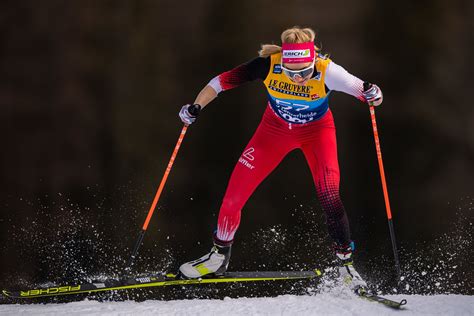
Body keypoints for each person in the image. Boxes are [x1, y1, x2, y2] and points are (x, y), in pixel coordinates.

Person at [177, 27, 382, 289]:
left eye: (305, 73)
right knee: (233, 197)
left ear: (313, 63)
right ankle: (218, 256)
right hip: (273, 132)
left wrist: (373, 94)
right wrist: (195, 107)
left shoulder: (329, 71)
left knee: (330, 196)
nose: (298, 79)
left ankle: (346, 266)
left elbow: (368, 93)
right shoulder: (267, 65)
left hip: (316, 133)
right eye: (291, 72)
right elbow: (219, 82)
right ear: (282, 62)